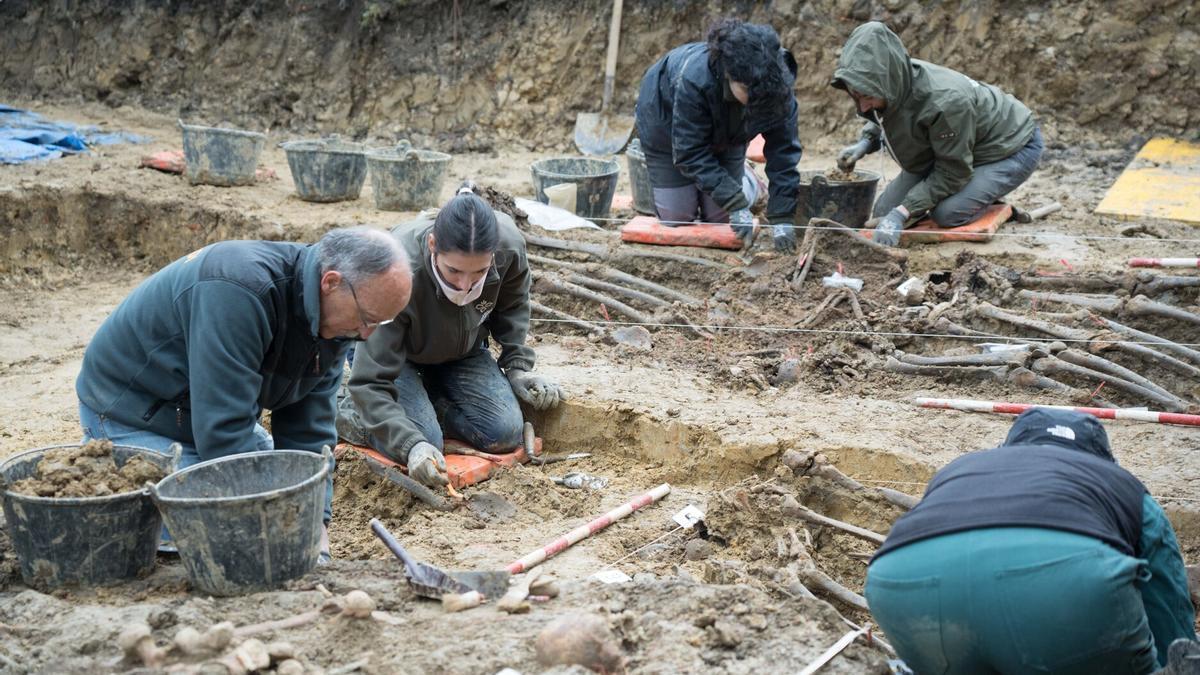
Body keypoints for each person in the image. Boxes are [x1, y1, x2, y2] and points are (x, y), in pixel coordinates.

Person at [77, 227, 412, 562]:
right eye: (367, 319)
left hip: (199, 411)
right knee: (215, 529)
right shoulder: (237, 289)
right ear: (331, 282)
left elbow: (308, 429)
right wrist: (266, 531)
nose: (366, 335)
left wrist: (315, 528)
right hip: (134, 412)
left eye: (379, 324)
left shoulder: (336, 320)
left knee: (277, 490)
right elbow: (224, 433)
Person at [866, 409, 1197, 674]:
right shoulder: (1122, 484)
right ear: (1099, 458)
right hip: (1068, 584)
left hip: (901, 583)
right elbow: (1166, 596)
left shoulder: (959, 468)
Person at [339, 186, 565, 489]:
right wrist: (411, 446)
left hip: (460, 351)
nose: (464, 285)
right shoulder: (395, 270)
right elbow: (372, 381)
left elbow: (513, 306)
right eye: (454, 270)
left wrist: (517, 367)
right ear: (433, 244)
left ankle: (426, 402)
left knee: (503, 433)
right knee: (423, 440)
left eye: (478, 273)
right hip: (394, 357)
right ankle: (342, 405)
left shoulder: (508, 248)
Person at [831, 21, 1044, 246]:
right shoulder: (892, 81)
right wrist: (866, 142)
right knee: (884, 211)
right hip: (954, 149)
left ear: (885, 84)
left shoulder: (946, 101)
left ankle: (991, 202)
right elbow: (890, 113)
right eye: (856, 96)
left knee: (947, 214)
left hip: (1010, 147)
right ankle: (971, 191)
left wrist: (904, 212)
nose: (863, 107)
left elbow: (953, 171)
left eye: (867, 96)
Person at [634, 18, 803, 252]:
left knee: (720, 220)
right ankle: (736, 183)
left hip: (731, 135)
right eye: (748, 92)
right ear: (729, 75)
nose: (756, 98)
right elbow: (689, 152)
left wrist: (782, 217)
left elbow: (784, 153)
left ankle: (751, 182)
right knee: (678, 218)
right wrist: (735, 202)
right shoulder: (695, 79)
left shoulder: (777, 86)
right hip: (665, 125)